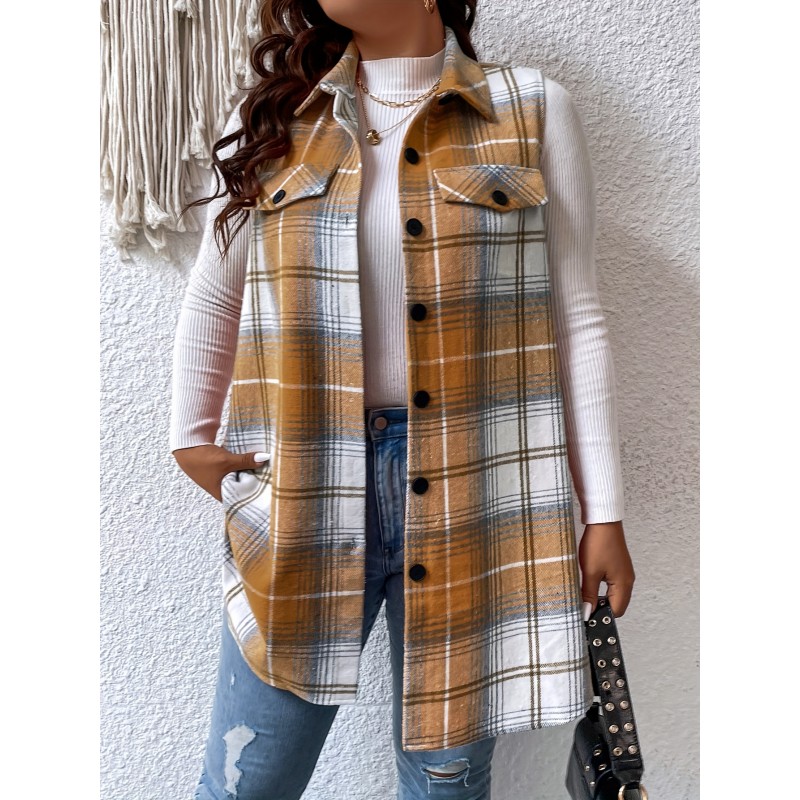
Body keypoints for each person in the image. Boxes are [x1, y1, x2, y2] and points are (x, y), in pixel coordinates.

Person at [170, 1, 636, 798]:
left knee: (445, 783)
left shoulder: (531, 110)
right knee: (247, 779)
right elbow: (216, 291)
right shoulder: (278, 118)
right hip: (306, 486)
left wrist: (605, 514)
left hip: (477, 496)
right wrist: (190, 434)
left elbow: (577, 316)